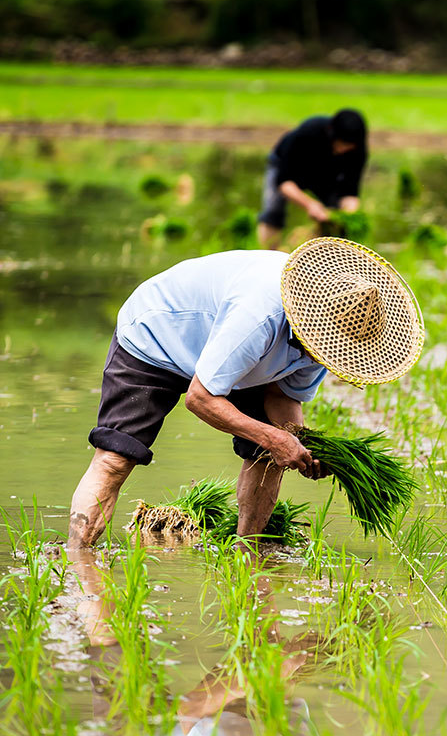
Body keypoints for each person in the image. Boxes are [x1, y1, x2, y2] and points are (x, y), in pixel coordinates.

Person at [68, 237, 424, 549]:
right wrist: (272, 438)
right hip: (158, 334)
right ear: (308, 318)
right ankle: (77, 563)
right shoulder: (259, 313)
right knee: (116, 458)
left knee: (270, 455)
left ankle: (247, 553)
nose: (323, 356)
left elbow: (283, 398)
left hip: (236, 358)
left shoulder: (331, 339)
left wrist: (298, 443)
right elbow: (201, 398)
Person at [258, 109, 368, 250]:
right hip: (287, 167)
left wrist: (347, 215)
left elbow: (350, 191)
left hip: (325, 173)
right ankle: (270, 256)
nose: (343, 150)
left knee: (333, 222)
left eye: (349, 147)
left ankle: (318, 260)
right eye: (341, 144)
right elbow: (284, 182)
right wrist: (310, 204)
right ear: (332, 135)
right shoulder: (308, 133)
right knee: (273, 213)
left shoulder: (358, 149)